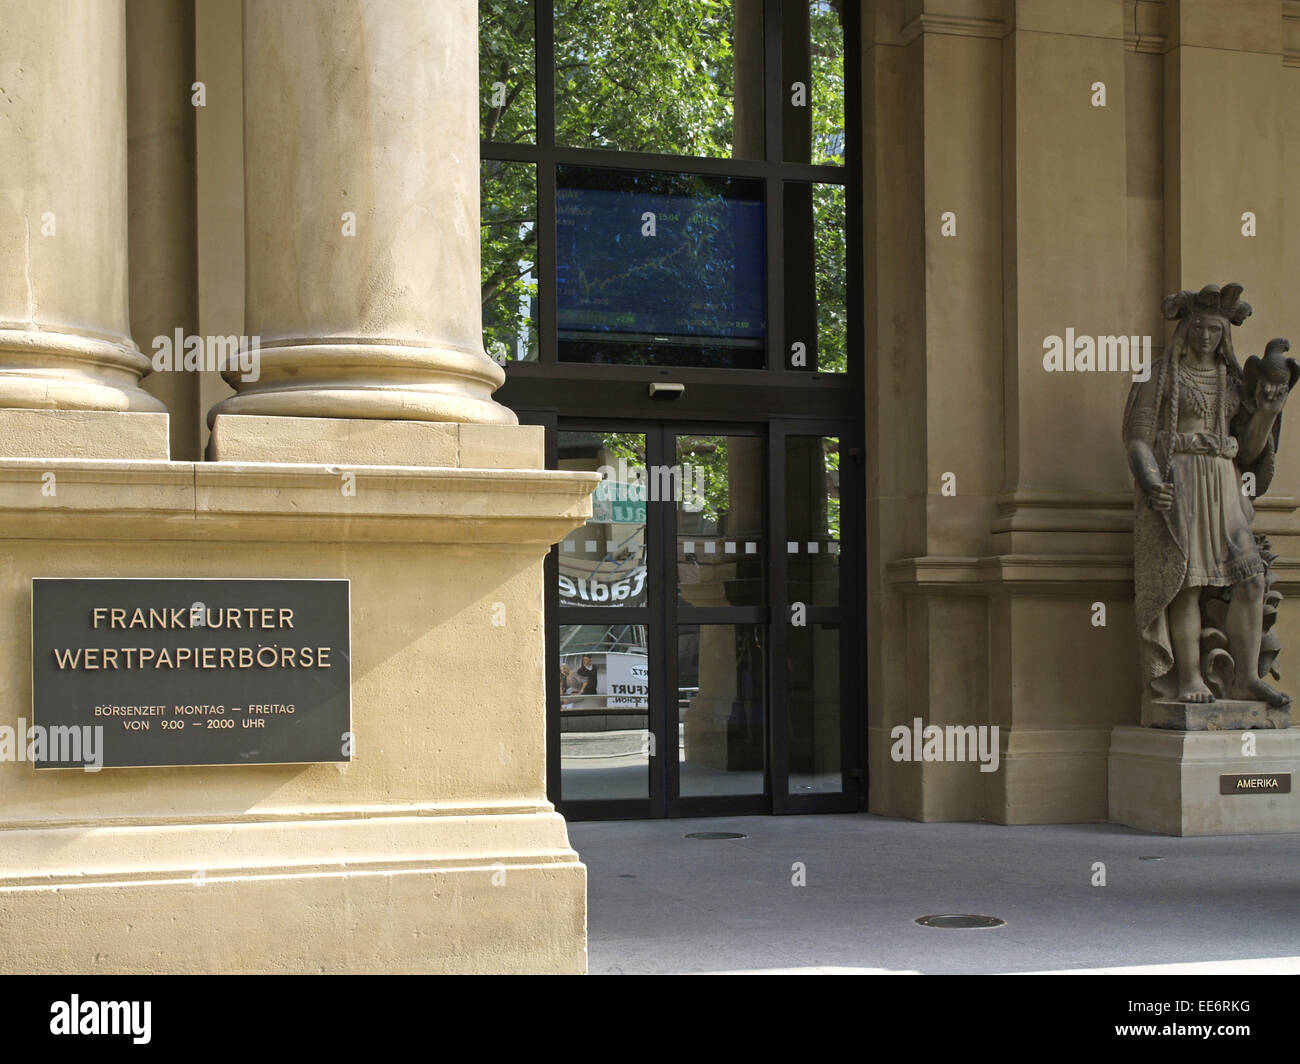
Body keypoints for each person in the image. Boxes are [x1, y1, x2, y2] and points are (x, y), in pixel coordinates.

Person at [1124, 283, 1292, 707]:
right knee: (1188, 583)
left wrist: (1269, 413)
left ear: (1225, 336)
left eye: (1215, 331)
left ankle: (1247, 678)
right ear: (1186, 329)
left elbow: (1249, 451)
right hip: (1181, 478)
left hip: (1225, 482)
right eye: (1199, 328)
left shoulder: (1231, 380)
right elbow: (1139, 439)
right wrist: (1150, 482)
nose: (1206, 337)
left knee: (1252, 577)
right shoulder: (1162, 374)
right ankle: (1190, 679)